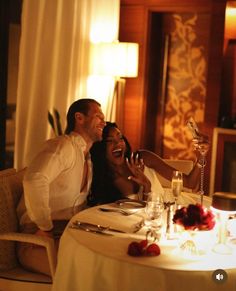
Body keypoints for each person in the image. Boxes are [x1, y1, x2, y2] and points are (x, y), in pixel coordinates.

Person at [16, 98, 105, 276]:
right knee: (82, 275)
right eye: (98, 116)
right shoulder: (63, 146)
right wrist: (45, 227)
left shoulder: (87, 158)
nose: (104, 122)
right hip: (36, 239)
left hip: (67, 234)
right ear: (79, 118)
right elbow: (34, 179)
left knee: (106, 264)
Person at [88, 122, 202, 206]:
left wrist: (201, 155)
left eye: (120, 137)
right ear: (100, 148)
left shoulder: (143, 158)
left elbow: (189, 183)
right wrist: (146, 185)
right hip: (139, 224)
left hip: (172, 207)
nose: (118, 143)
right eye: (110, 141)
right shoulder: (102, 180)